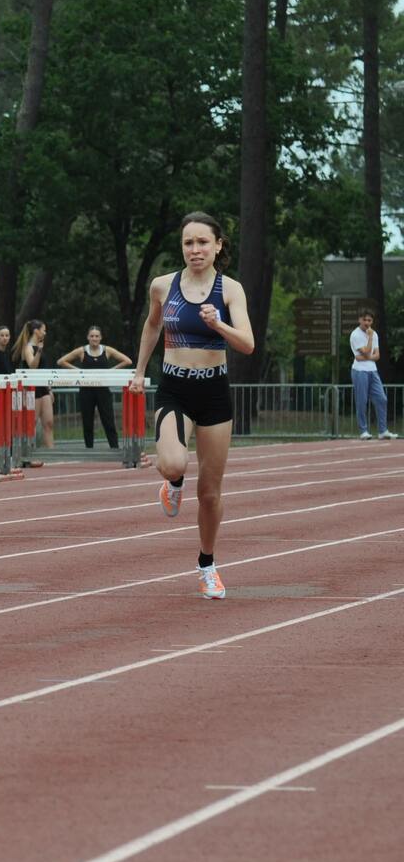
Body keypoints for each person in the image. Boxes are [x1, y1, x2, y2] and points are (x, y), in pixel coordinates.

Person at [129, 211, 255, 600]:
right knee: (173, 464)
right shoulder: (162, 286)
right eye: (188, 243)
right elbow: (153, 325)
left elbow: (248, 344)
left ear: (218, 246)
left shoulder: (230, 290)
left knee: (210, 494)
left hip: (214, 393)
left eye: (202, 242)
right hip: (175, 389)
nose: (195, 249)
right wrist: (139, 371)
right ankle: (173, 483)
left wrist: (219, 324)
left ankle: (207, 565)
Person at [57, 326, 133, 449]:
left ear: (100, 338)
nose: (94, 338)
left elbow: (127, 361)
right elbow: (61, 361)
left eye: (97, 336)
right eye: (92, 336)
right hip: (86, 390)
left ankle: (114, 448)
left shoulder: (107, 350)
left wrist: (112, 370)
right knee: (87, 422)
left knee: (108, 421)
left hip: (103, 390)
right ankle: (89, 450)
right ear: (88, 337)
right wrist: (78, 371)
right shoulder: (82, 351)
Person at [350, 309, 395, 440]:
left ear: (372, 321)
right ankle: (363, 431)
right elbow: (366, 351)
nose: (367, 323)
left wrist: (365, 357)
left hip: (372, 370)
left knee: (382, 399)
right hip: (359, 371)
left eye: (369, 320)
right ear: (359, 320)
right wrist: (369, 339)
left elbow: (377, 356)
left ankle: (383, 431)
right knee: (362, 401)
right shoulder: (355, 335)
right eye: (364, 320)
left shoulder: (374, 334)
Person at [12, 319, 55, 456]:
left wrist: (50, 389)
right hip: (32, 389)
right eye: (43, 330)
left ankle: (51, 454)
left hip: (43, 388)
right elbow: (32, 366)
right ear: (36, 331)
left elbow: (45, 370)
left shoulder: (39, 347)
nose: (45, 333)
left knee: (49, 422)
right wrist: (39, 351)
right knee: (32, 422)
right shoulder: (28, 348)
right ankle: (29, 453)